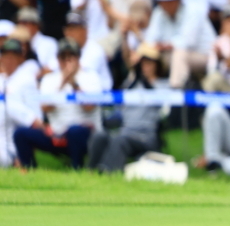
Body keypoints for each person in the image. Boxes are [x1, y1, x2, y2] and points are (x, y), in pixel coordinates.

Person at [14, 41, 101, 169]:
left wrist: (73, 84)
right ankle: (28, 170)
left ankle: (77, 168)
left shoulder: (91, 77)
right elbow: (45, 107)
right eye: (63, 57)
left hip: (84, 132)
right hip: (56, 132)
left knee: (75, 131)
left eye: (71, 56)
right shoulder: (49, 79)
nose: (67, 61)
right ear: (57, 59)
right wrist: (62, 83)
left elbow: (89, 106)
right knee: (20, 133)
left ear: (78, 58)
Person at [87, 44, 167, 172]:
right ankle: (90, 172)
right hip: (126, 132)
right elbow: (119, 106)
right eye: (142, 63)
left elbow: (160, 104)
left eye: (149, 63)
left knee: (120, 140)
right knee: (99, 136)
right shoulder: (131, 84)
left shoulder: (163, 85)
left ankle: (108, 172)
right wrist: (136, 78)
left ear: (156, 65)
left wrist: (143, 80)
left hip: (146, 137)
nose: (145, 67)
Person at [144, 0, 216, 88]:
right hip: (174, 55)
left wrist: (162, 46)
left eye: (169, 0)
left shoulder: (193, 11)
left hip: (206, 58)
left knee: (179, 54)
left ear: (178, 0)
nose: (165, 4)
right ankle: (147, 89)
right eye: (162, 1)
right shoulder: (159, 13)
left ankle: (176, 92)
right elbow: (149, 40)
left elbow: (187, 42)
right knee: (145, 54)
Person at [1, 37, 42, 167]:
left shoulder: (26, 79)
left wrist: (24, 154)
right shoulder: (1, 79)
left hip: (14, 143)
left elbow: (36, 120)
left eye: (13, 56)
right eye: (5, 55)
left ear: (20, 58)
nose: (8, 60)